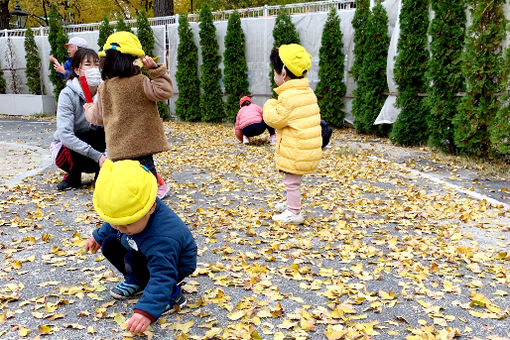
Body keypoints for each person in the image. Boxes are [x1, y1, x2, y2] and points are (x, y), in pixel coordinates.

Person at [85, 159, 197, 334]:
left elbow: (163, 273)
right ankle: (138, 280)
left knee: (152, 270)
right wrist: (98, 235)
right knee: (109, 243)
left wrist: (146, 311)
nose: (121, 228)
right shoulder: (131, 216)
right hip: (144, 248)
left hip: (173, 265)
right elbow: (115, 221)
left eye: (127, 223)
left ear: (151, 207)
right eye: (117, 223)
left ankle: (172, 294)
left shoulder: (163, 237)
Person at [84, 31, 172, 199]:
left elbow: (97, 118)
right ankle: (150, 215)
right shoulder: (141, 82)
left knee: (127, 192)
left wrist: (88, 108)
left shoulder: (105, 88)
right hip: (143, 150)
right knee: (148, 189)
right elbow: (165, 91)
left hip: (118, 153)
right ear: (134, 61)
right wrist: (154, 70)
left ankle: (129, 217)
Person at [263, 44, 322, 224]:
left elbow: (275, 119)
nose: (273, 76)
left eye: (274, 72)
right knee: (292, 181)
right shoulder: (306, 91)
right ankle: (291, 202)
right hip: (306, 148)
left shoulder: (288, 97)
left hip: (297, 150)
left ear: (283, 73)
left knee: (292, 181)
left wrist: (269, 104)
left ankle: (294, 212)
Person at [50, 48, 106, 191]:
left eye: (96, 63)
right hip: (72, 150)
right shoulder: (67, 94)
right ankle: (73, 176)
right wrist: (97, 156)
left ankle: (103, 174)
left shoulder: (105, 91)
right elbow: (65, 134)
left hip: (98, 144)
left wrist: (107, 155)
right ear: (77, 70)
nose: (94, 68)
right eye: (88, 64)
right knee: (70, 138)